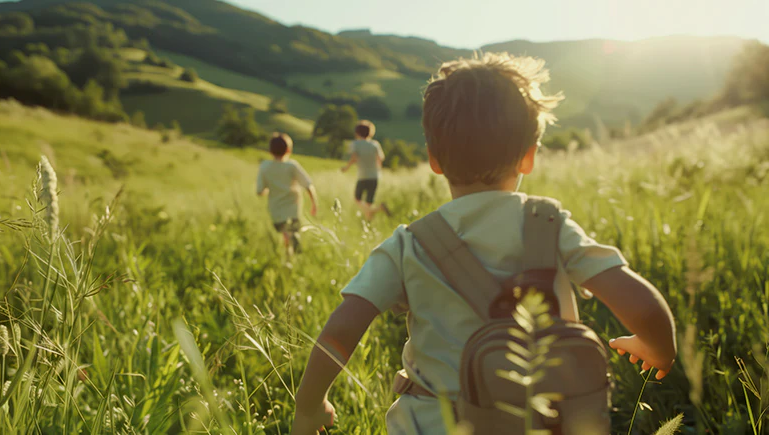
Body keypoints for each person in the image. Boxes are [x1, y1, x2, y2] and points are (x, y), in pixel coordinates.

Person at [290, 53, 677, 434]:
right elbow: (639, 300)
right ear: (528, 158)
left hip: (431, 424)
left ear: (434, 159)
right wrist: (657, 347)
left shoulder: (409, 244)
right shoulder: (549, 225)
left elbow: (341, 330)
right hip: (541, 420)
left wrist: (309, 407)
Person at [256, 132, 317, 255]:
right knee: (292, 232)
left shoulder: (265, 166)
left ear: (270, 151)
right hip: (293, 209)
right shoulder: (292, 166)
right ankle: (293, 255)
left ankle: (289, 257)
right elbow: (308, 185)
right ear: (289, 150)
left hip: (276, 210)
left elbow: (259, 191)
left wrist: (270, 189)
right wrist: (314, 203)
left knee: (285, 233)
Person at [341, 120, 390, 220]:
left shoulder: (355, 144)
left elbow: (354, 157)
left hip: (363, 176)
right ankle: (368, 224)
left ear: (357, 133)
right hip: (375, 176)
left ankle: (379, 208)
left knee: (357, 199)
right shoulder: (375, 144)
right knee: (368, 203)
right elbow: (380, 159)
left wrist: (346, 168)